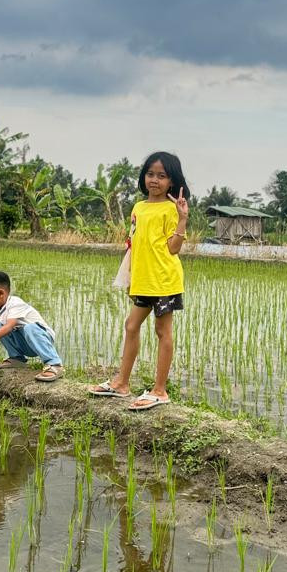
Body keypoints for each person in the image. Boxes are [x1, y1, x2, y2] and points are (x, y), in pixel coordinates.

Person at [89, 151, 190, 411]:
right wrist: (131, 277)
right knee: (131, 326)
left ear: (172, 181)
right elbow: (134, 245)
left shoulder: (171, 209)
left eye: (162, 176)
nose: (154, 180)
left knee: (162, 332)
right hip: (144, 280)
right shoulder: (138, 208)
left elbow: (174, 248)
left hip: (165, 280)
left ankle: (160, 390)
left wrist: (182, 220)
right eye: (150, 174)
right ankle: (122, 383)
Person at [0, 269, 64, 382]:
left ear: (1, 293)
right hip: (24, 342)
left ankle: (54, 363)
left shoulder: (15, 303)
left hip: (41, 340)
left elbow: (9, 327)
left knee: (28, 328)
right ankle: (17, 358)